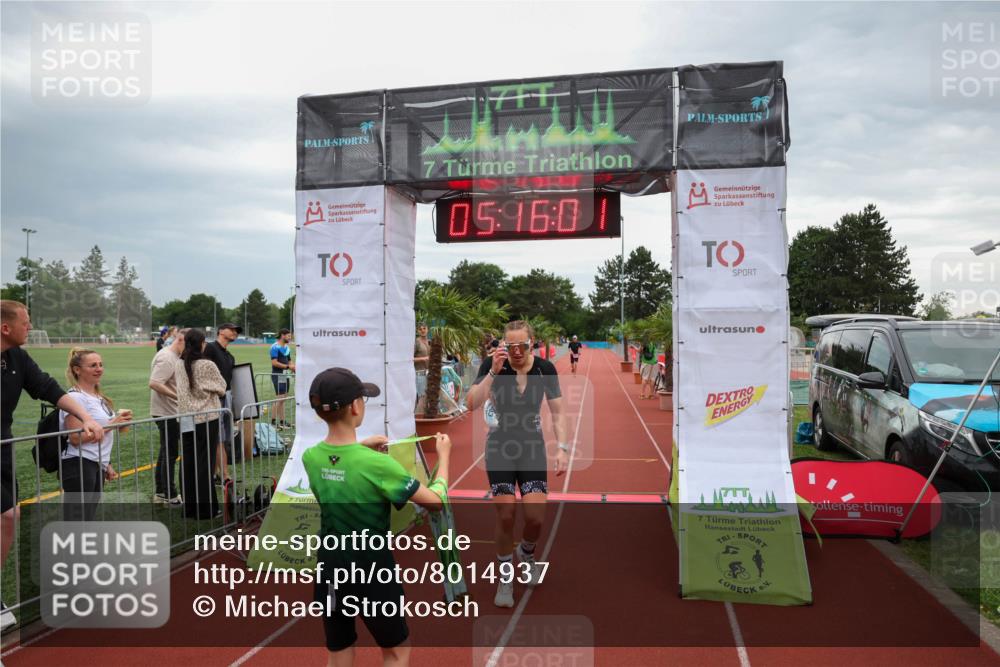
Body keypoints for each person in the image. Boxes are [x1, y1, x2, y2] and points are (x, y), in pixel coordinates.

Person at [302, 367, 452, 667]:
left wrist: (361, 445)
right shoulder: (378, 466)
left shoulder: (310, 458)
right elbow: (435, 501)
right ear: (356, 406)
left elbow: (338, 458)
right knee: (396, 651)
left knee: (339, 650)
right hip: (372, 570)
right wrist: (444, 455)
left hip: (330, 568)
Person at [1, 301, 104, 629]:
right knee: (8, 515)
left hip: (2, 448)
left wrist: (86, 417)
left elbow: (47, 387)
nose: (30, 327)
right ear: (6, 328)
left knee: (8, 517)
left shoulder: (17, 358)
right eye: (26, 322)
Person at [465, 320, 569, 608]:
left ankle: (526, 552)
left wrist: (562, 447)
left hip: (532, 446)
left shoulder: (544, 369)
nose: (516, 352)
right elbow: (471, 403)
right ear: (503, 346)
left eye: (522, 346)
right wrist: (493, 374)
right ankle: (505, 577)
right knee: (507, 513)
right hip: (500, 445)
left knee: (535, 516)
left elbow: (558, 411)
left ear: (532, 342)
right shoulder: (492, 365)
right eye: (510, 347)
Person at [59, 348, 132, 521]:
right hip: (78, 463)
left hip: (96, 463)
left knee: (87, 517)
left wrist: (107, 464)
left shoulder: (98, 397)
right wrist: (111, 425)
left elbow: (103, 431)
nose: (99, 368)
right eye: (93, 365)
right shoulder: (75, 398)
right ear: (77, 370)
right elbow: (75, 438)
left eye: (100, 365)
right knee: (76, 519)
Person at [174, 328, 227, 519]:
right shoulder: (206, 364)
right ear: (201, 343)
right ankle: (206, 509)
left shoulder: (179, 363)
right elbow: (222, 387)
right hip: (206, 418)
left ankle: (189, 508)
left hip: (186, 418)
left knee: (188, 463)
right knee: (205, 463)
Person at [149, 328, 186, 506]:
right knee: (169, 454)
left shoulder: (174, 356)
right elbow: (155, 383)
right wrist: (178, 396)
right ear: (180, 340)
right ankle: (169, 494)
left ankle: (161, 491)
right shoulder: (166, 357)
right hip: (166, 413)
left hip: (171, 412)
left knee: (166, 453)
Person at [204, 323, 240, 484]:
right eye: (231, 329)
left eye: (237, 331)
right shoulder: (210, 348)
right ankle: (225, 475)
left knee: (223, 438)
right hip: (212, 399)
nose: (235, 333)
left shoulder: (230, 356)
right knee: (218, 438)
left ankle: (217, 473)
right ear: (220, 331)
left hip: (226, 397)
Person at [269, 328, 295, 430]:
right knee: (280, 398)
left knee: (283, 399)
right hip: (278, 374)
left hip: (285, 375)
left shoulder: (287, 347)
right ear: (282, 335)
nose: (290, 337)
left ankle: (282, 421)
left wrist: (293, 367)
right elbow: (274, 363)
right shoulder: (274, 347)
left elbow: (289, 361)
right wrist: (288, 367)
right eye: (288, 336)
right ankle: (273, 423)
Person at [413, 322, 430, 409]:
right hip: (419, 373)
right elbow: (409, 358)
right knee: (421, 396)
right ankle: (419, 417)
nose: (423, 330)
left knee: (430, 396)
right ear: (417, 331)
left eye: (424, 328)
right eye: (420, 329)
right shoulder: (416, 342)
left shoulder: (429, 341)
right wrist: (423, 358)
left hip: (430, 373)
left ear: (428, 329)